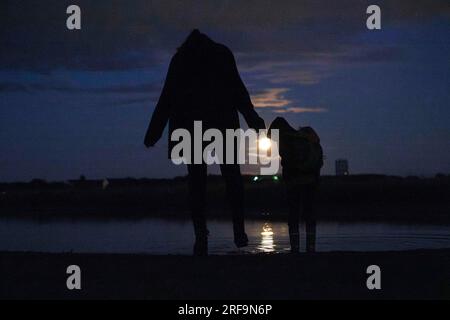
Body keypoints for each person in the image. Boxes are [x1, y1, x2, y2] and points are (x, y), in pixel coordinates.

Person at [144, 30, 265, 256]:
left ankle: (201, 235)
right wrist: (253, 119)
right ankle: (238, 230)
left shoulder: (180, 60)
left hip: (191, 130)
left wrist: (153, 133)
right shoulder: (221, 54)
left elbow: (166, 98)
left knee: (197, 184)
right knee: (232, 178)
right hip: (222, 125)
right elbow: (238, 90)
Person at [269, 117, 323, 253]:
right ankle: (311, 247)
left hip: (294, 183)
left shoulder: (286, 140)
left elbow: (287, 163)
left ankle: (295, 248)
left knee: (294, 215)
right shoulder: (306, 138)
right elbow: (319, 161)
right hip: (311, 181)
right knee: (310, 214)